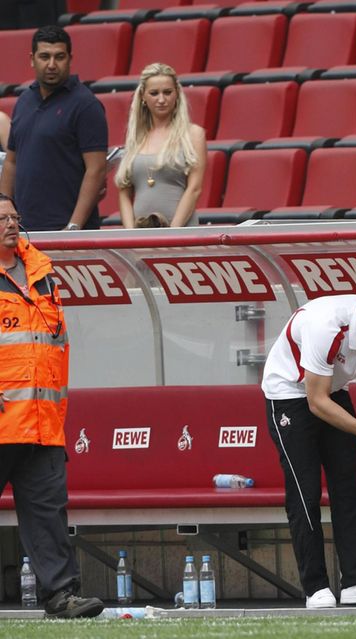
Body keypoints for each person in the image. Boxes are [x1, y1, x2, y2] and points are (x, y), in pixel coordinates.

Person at [261, 288, 356, 608]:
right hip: (289, 397)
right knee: (305, 494)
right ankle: (315, 587)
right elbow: (316, 401)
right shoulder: (326, 326)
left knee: (350, 487)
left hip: (331, 392)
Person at [0, 194, 104, 619]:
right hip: (4, 421)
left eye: (14, 217)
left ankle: (60, 596)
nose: (11, 224)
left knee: (48, 515)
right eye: (1, 218)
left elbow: (55, 346)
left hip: (42, 424)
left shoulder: (43, 274)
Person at [0, 25, 107, 231]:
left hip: (67, 231)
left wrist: (73, 227)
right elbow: (12, 162)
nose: (51, 65)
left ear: (70, 59)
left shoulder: (86, 105)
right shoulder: (24, 101)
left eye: (59, 57)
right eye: (44, 57)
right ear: (32, 59)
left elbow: (96, 170)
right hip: (24, 230)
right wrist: (4, 215)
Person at [115, 63, 207, 228]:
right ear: (143, 96)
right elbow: (124, 192)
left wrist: (172, 232)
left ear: (177, 94)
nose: (162, 100)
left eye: (167, 92)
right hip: (140, 232)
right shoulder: (135, 138)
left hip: (181, 231)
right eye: (154, 93)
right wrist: (130, 233)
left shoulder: (193, 134)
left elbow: (194, 189)